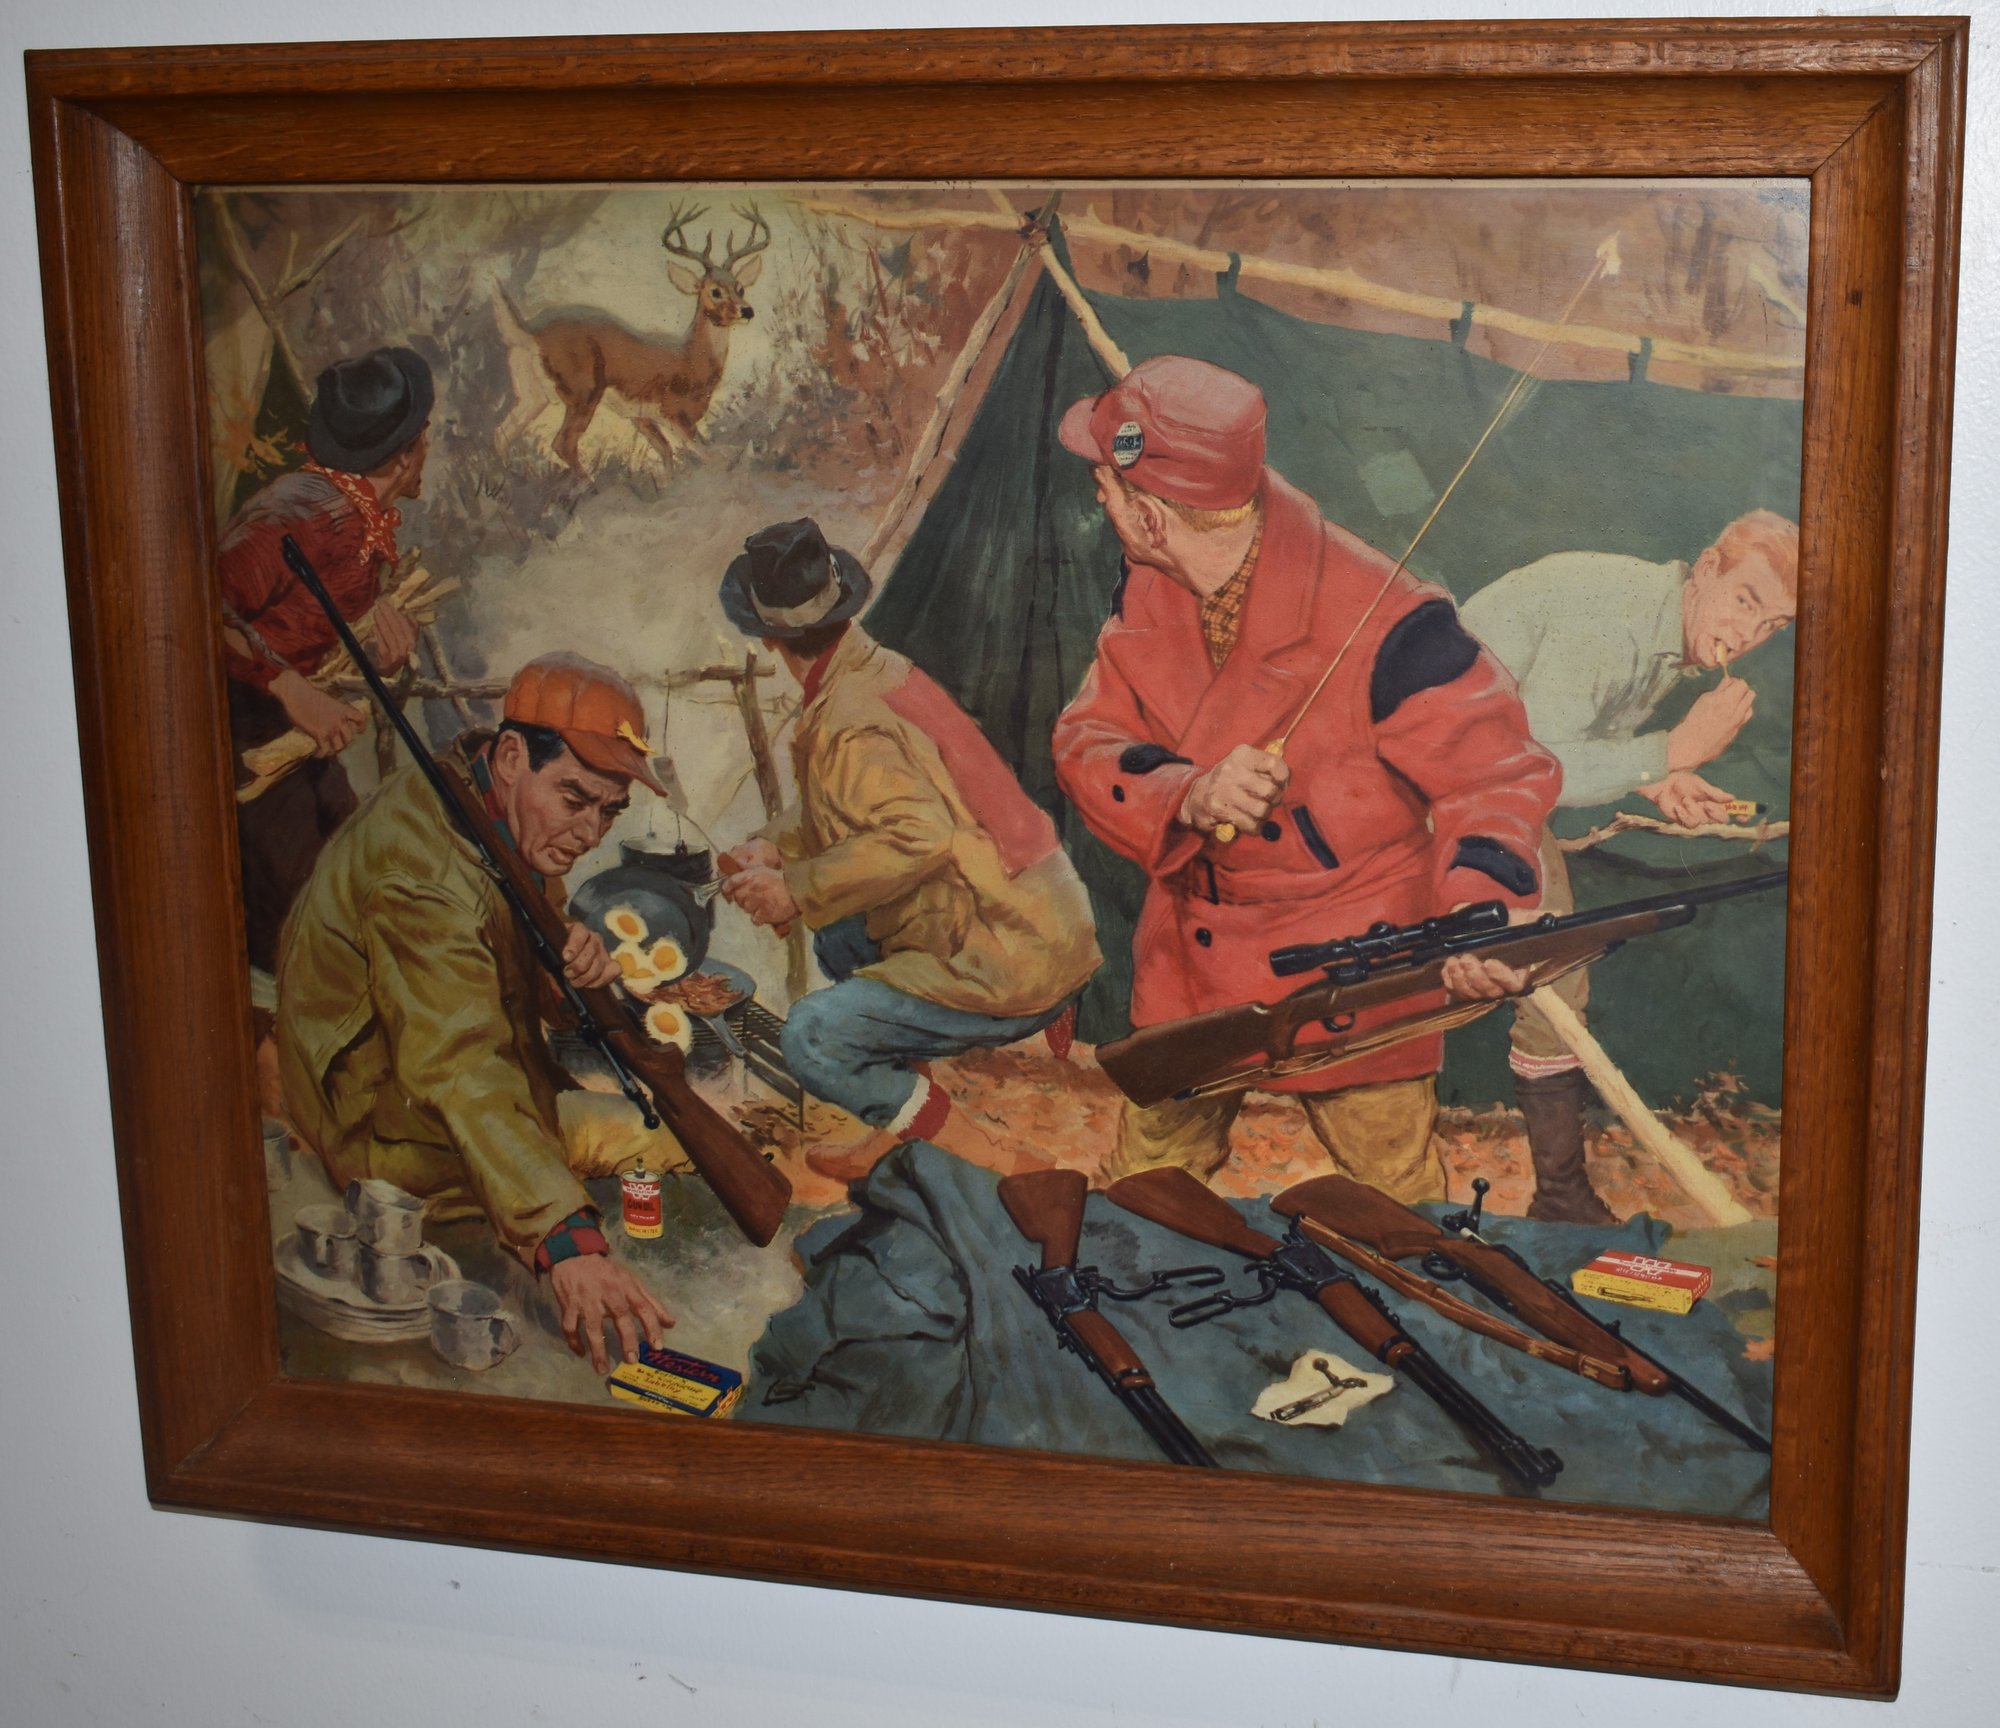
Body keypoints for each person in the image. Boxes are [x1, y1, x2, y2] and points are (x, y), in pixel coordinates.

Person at [1050, 356, 1561, 1198]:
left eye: (1104, 486)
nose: (1099, 501)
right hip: (1192, 961)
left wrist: (1481, 913)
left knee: (1397, 1204)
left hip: (1354, 969)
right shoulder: (1150, 585)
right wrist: (1187, 791)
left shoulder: (1393, 621)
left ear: (1147, 516)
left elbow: (1494, 774)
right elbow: (1088, 738)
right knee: (1142, 1188)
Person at [277, 652, 680, 1370]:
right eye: (576, 799)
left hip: (457, 1104)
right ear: (513, 757)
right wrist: (566, 1243)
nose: (590, 833)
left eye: (608, 810)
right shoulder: (420, 871)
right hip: (395, 1139)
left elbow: (503, 949)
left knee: (659, 1144)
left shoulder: (485, 806)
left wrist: (564, 969)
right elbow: (460, 1064)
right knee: (656, 1159)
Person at [715, 518, 1102, 1182]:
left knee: (811, 1038)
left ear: (769, 636)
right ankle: (899, 1125)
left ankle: (1001, 1160)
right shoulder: (872, 672)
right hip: (1032, 915)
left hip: (1011, 949)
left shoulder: (850, 719)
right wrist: (772, 848)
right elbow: (846, 804)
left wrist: (795, 889)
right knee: (841, 936)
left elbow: (916, 834)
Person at [1457, 510, 1799, 1222]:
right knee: (1546, 976)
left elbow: (1572, 735)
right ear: (1707, 568)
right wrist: (1670, 752)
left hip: (1486, 786)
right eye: (1745, 601)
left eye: (1774, 624)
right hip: (1439, 791)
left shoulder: (1665, 626)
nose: (1749, 633)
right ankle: (1562, 1198)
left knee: (1554, 979)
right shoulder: (1615, 624)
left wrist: (1658, 780)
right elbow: (1535, 763)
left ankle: (1560, 1197)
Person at [219, 345, 434, 976]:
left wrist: (379, 654)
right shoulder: (301, 512)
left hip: (293, 747)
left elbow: (305, 630)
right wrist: (291, 691)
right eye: (424, 436)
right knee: (311, 933)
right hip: (237, 746)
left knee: (357, 873)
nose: (428, 448)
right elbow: (200, 605)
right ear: (404, 454)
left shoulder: (358, 522)